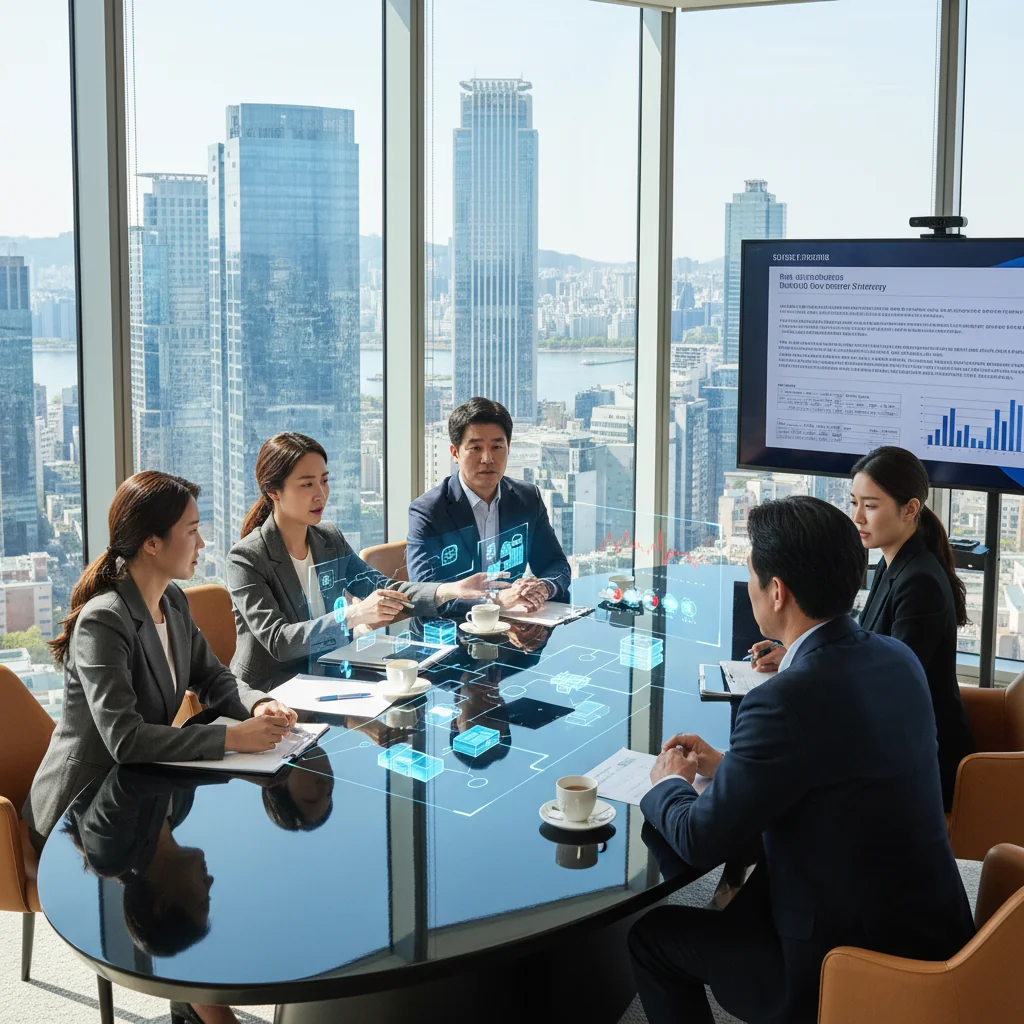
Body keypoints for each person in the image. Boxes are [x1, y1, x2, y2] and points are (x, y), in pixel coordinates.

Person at [630, 496, 974, 1024]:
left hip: (841, 960)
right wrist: (728, 767)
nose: (748, 588)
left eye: (750, 575)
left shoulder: (784, 699)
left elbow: (701, 841)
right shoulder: (896, 658)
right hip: (933, 930)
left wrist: (666, 784)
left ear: (777, 590)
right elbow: (838, 768)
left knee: (651, 939)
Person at [23, 471, 296, 848]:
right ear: (152, 543)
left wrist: (259, 704)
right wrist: (232, 737)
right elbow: (126, 738)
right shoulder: (104, 620)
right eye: (191, 531)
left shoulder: (173, 602)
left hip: (141, 793)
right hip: (82, 816)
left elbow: (214, 676)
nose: (202, 542)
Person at [750, 446, 974, 810]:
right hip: (894, 737)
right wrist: (796, 654)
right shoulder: (894, 562)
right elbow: (863, 644)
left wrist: (808, 670)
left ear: (910, 509)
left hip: (924, 760)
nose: (856, 517)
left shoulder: (920, 582)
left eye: (870, 505)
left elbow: (886, 680)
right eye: (854, 502)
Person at [228, 432, 502, 691]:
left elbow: (381, 588)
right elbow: (280, 642)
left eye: (324, 481)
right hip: (271, 692)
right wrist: (354, 615)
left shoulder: (328, 538)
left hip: (329, 673)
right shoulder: (247, 559)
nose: (321, 495)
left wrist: (450, 590)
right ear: (274, 492)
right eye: (307, 484)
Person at [406, 397, 572, 617]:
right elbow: (425, 591)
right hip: (454, 634)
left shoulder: (527, 498)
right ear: (455, 453)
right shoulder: (428, 511)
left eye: (497, 447)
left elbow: (555, 563)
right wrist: (492, 601)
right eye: (475, 448)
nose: (487, 458)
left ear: (508, 448)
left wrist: (543, 587)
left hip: (515, 629)